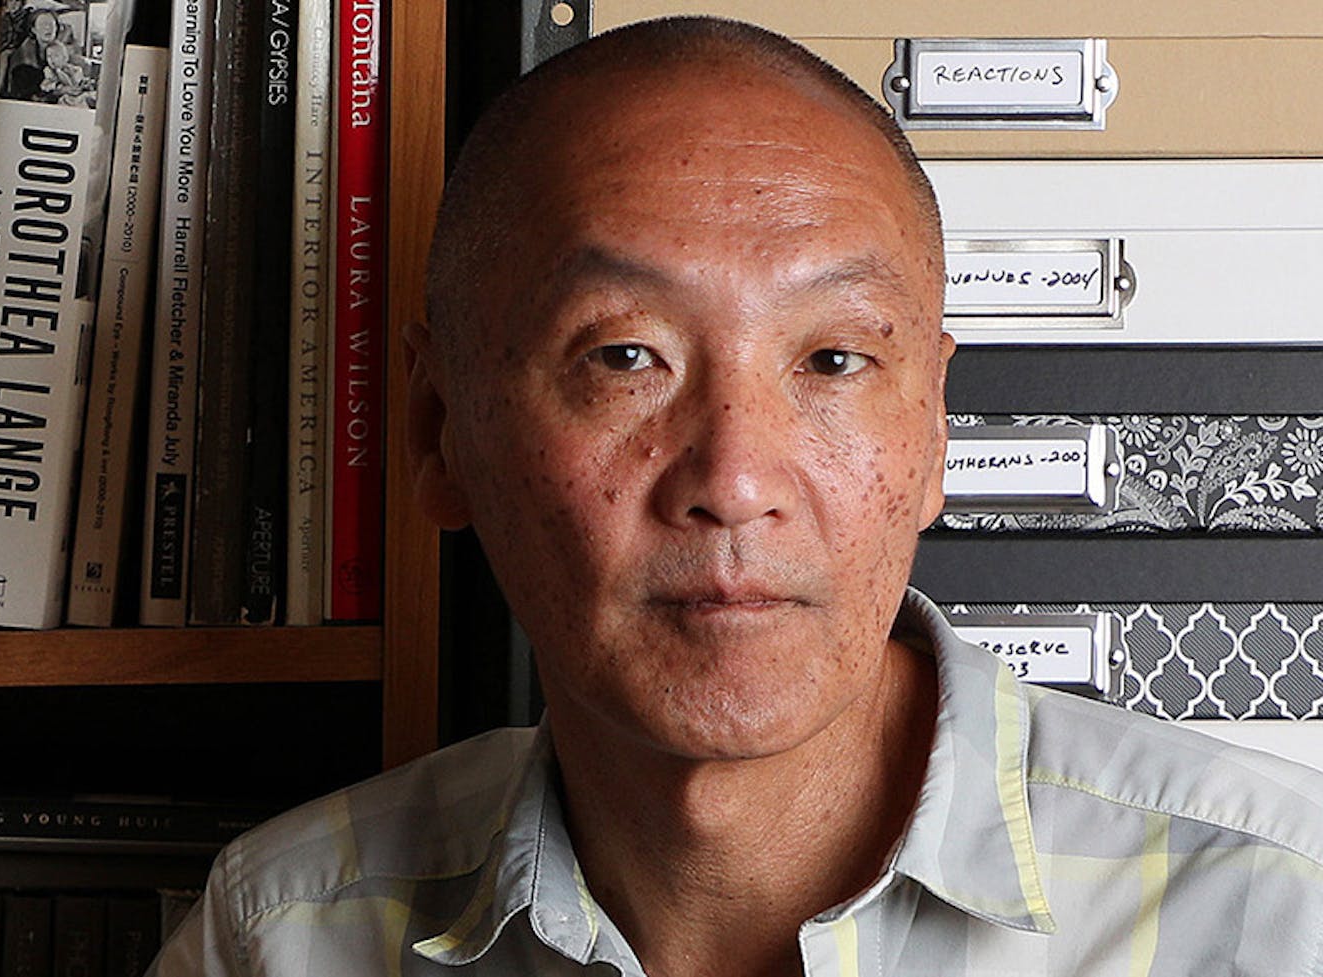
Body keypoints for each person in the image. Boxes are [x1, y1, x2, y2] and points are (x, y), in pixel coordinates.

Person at [148, 16, 1323, 977]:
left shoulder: (1280, 910)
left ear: (928, 436)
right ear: (437, 429)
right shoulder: (279, 934)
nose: (736, 481)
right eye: (623, 357)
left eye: (830, 361)